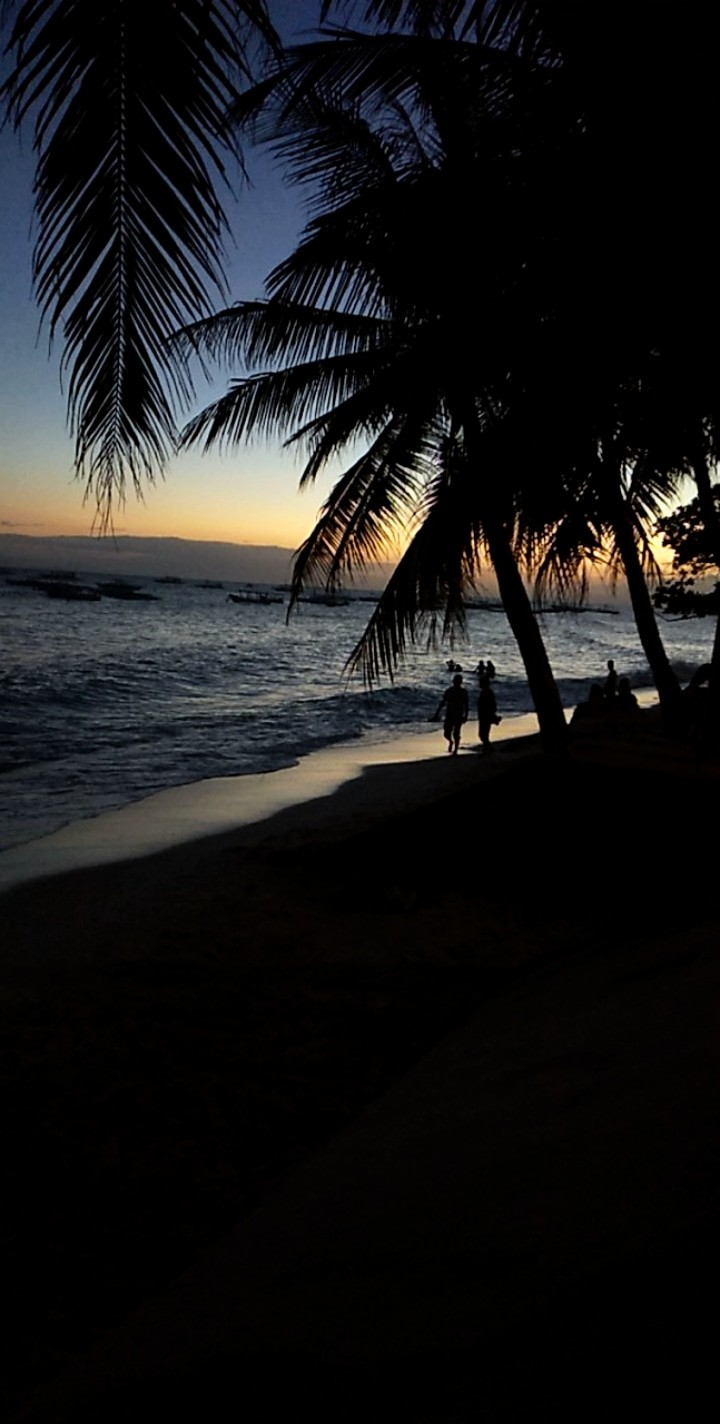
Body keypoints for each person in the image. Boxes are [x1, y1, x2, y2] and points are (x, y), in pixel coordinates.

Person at [434, 673, 469, 755]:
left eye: (458, 681)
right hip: (449, 714)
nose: (456, 683)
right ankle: (450, 741)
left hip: (459, 714)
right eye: (455, 681)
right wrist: (437, 713)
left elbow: (466, 705)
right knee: (446, 733)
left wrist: (466, 716)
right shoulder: (449, 691)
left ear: (460, 682)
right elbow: (443, 702)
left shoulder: (463, 692)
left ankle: (455, 750)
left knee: (457, 733)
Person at [478, 673, 501, 754]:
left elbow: (491, 704)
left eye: (480, 682)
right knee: (484, 734)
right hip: (484, 715)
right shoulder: (486, 692)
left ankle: (488, 749)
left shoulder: (487, 692)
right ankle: (488, 749)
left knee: (483, 734)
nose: (479, 683)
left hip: (485, 715)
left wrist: (491, 714)